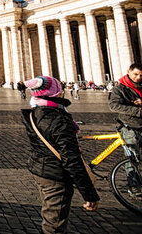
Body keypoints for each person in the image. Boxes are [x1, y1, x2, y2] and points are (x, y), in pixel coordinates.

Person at [22, 76, 99, 234]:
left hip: (40, 169)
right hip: (55, 174)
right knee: (54, 225)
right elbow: (71, 159)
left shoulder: (34, 112)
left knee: (49, 213)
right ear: (54, 93)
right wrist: (89, 193)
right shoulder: (58, 119)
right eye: (59, 89)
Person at [109, 62, 142, 197]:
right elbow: (114, 106)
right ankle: (134, 186)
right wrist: (138, 111)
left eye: (141, 75)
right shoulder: (119, 89)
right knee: (131, 158)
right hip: (129, 127)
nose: (138, 78)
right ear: (128, 72)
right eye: (135, 74)